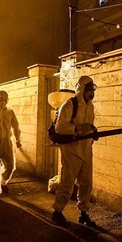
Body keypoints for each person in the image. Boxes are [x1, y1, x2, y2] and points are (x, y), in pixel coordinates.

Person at [51, 75, 97, 227]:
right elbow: (60, 127)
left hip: (86, 149)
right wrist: (77, 128)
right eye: (89, 89)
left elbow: (89, 124)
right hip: (71, 151)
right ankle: (57, 213)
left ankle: (83, 213)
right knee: (67, 183)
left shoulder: (90, 106)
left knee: (86, 183)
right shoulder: (70, 105)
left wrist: (92, 131)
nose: (92, 93)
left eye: (93, 89)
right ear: (82, 89)